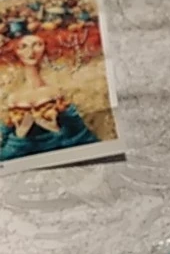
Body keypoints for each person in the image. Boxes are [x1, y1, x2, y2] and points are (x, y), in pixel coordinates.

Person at [0, 33, 98, 162]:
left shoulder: (56, 90)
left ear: (46, 48)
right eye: (23, 47)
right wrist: (19, 136)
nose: (30, 52)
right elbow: (4, 152)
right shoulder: (12, 97)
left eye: (37, 45)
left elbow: (82, 136)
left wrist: (56, 131)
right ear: (15, 51)